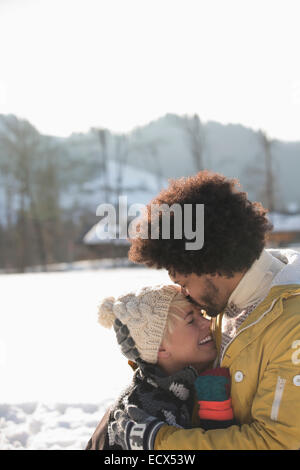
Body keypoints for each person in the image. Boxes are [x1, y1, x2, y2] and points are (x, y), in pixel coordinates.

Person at [109, 170, 300, 450]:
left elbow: (279, 442)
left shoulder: (291, 323)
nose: (185, 296)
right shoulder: (223, 305)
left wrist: (159, 441)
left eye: (183, 282)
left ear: (210, 263)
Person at [85, 284, 235, 450]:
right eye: (191, 320)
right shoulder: (142, 411)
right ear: (160, 348)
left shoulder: (181, 390)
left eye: (201, 314)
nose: (207, 323)